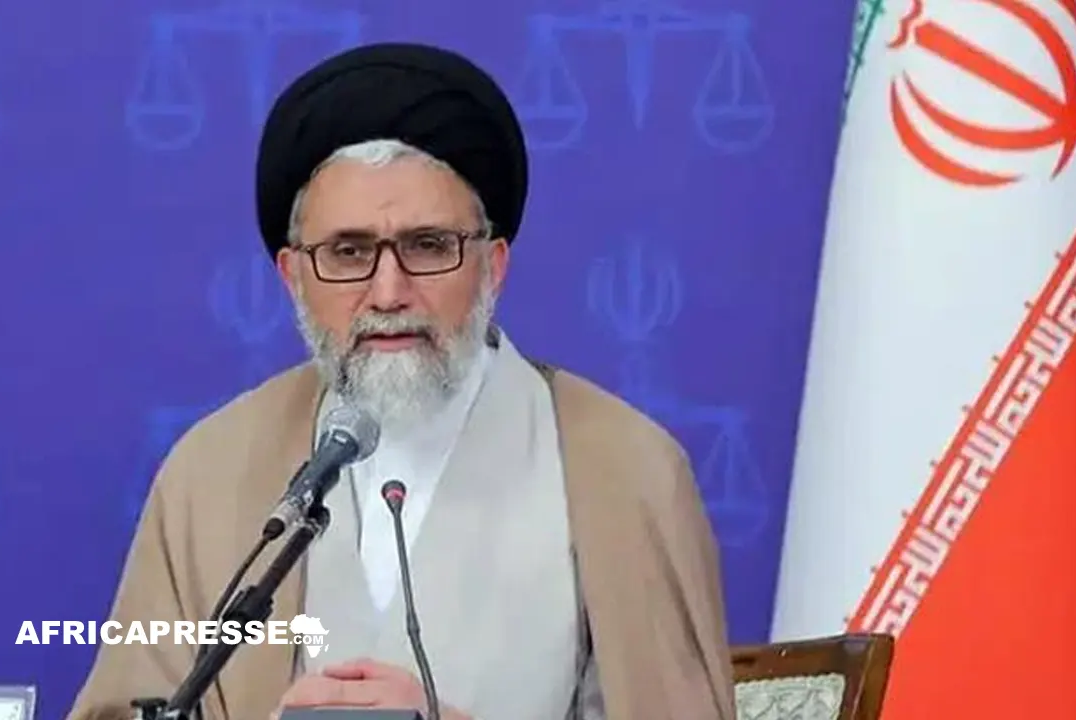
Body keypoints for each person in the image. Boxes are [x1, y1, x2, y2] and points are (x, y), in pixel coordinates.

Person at [67, 42, 735, 720]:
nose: (388, 292)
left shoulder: (626, 470)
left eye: (428, 245)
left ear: (493, 265)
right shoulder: (209, 470)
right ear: (292, 276)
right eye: (348, 252)